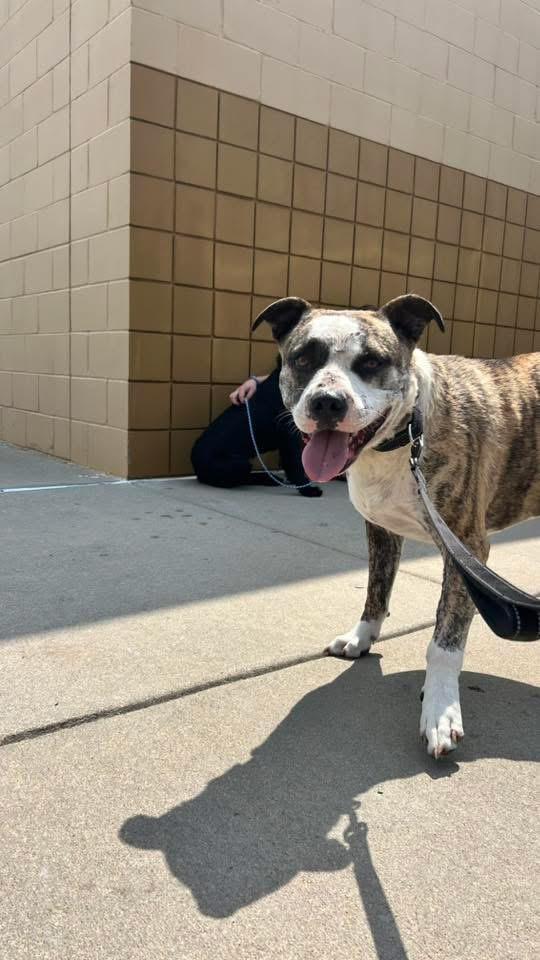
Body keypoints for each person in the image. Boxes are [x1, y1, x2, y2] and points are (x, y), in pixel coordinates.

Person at [191, 363, 322, 497]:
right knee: (240, 467)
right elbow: (289, 445)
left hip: (206, 459)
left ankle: (253, 478)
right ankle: (253, 478)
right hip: (215, 464)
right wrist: (302, 485)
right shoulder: (284, 393)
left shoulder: (278, 382)